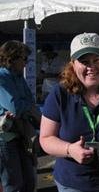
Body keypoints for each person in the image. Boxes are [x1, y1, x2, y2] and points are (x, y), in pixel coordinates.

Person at [39, 33, 99, 192]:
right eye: (84, 62)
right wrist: (69, 150)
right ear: (73, 64)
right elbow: (46, 138)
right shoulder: (60, 94)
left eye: (96, 60)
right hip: (73, 184)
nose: (91, 67)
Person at [0, 40, 41, 192]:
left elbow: (30, 101)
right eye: (24, 59)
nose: (26, 63)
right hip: (5, 138)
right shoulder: (2, 78)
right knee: (13, 184)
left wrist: (24, 104)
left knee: (29, 180)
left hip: (21, 134)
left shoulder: (18, 77)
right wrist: (26, 105)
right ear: (11, 58)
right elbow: (15, 107)